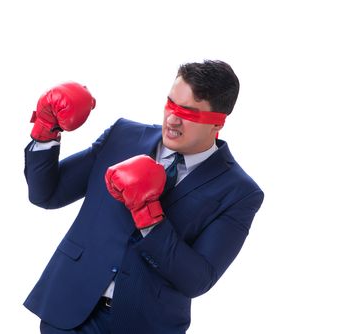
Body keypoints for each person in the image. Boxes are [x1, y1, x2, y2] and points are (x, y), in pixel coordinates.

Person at [23, 61, 264, 333]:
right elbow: (48, 194)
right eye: (171, 104)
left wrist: (148, 217)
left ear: (217, 122)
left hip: (144, 323)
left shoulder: (239, 191)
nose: (173, 119)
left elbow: (197, 279)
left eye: (188, 113)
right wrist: (46, 130)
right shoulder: (123, 135)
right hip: (68, 308)